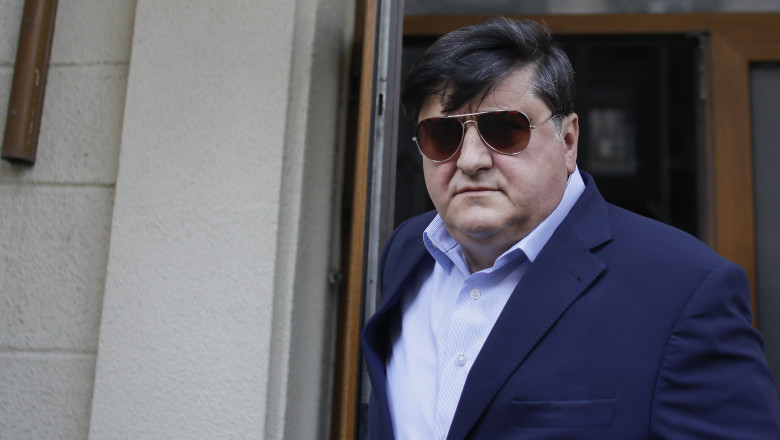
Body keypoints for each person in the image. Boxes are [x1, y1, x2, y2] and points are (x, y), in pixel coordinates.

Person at [360, 17, 780, 440]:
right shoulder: (408, 252)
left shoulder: (684, 289)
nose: (470, 160)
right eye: (441, 134)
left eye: (504, 129)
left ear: (569, 140)